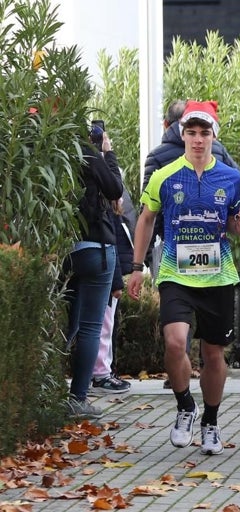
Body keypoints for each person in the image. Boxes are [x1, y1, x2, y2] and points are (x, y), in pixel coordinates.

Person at [128, 100, 240, 455]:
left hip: (217, 276)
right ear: (182, 135)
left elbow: (236, 223)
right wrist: (136, 267)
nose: (198, 140)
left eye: (204, 133)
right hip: (175, 273)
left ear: (213, 137)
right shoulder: (165, 175)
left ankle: (211, 422)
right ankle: (185, 406)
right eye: (191, 133)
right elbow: (145, 219)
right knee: (174, 343)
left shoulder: (231, 178)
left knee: (213, 354)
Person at [66, 128, 124, 418]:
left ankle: (45, 389)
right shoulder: (88, 153)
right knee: (90, 327)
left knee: (69, 324)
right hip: (96, 246)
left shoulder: (59, 155)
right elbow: (115, 188)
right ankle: (77, 398)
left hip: (67, 247)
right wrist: (108, 154)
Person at [89, 186, 138, 396]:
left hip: (108, 271)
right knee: (104, 325)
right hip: (107, 274)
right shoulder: (106, 209)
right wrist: (117, 281)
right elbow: (114, 246)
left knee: (103, 325)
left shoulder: (106, 208)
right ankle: (101, 373)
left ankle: (102, 371)